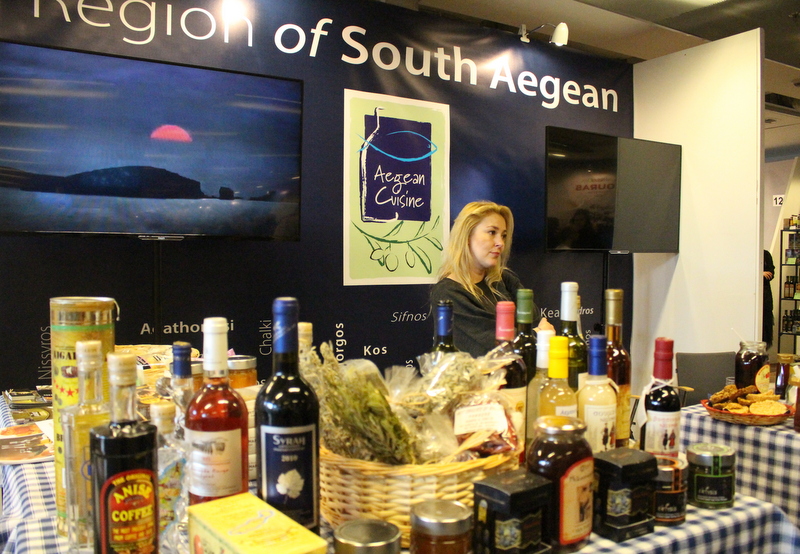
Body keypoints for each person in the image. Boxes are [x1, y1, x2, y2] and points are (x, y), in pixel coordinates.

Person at [430, 201, 554, 357]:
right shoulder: (448, 292)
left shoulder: (505, 279)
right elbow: (494, 348)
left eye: (503, 235)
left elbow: (537, 322)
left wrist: (532, 337)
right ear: (467, 235)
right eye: (491, 232)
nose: (500, 243)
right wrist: (537, 336)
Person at [764, 249, 775, 348]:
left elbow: (770, 274)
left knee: (766, 324)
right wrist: (759, 273)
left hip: (765, 295)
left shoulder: (766, 254)